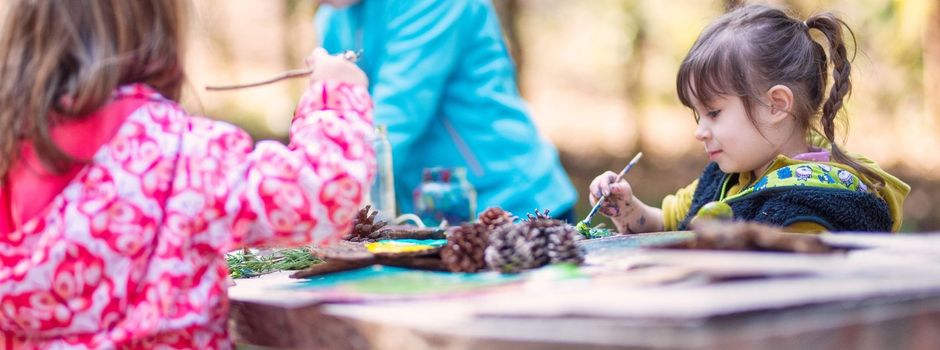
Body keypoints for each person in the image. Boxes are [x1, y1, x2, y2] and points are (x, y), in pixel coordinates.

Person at [0, 1, 373, 348]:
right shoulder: (185, 155)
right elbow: (323, 193)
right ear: (156, 31)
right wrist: (335, 97)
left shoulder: (11, 155)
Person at [589, 4, 909, 234]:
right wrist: (627, 208)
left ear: (776, 106)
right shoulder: (724, 180)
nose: (700, 132)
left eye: (713, 113)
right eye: (698, 115)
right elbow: (666, 222)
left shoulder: (813, 207)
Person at [316, 0, 578, 221]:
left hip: (515, 202)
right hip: (434, 215)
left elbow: (396, 117)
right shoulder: (333, 18)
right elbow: (335, 121)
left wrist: (308, 191)